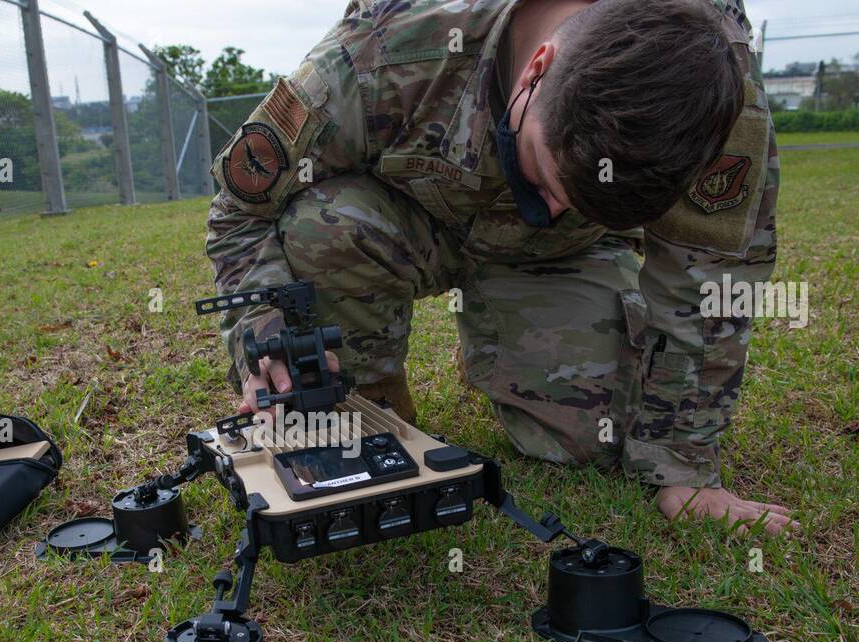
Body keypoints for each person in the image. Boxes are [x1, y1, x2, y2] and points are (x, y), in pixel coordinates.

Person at [205, 0, 797, 535]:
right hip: (404, 224)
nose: (549, 209)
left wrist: (684, 466)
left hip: (567, 255)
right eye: (548, 173)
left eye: (581, 199)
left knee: (593, 439)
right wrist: (263, 335)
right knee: (323, 225)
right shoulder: (382, 50)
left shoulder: (716, 89)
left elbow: (713, 276)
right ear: (537, 67)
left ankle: (501, 336)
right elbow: (239, 205)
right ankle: (370, 392)